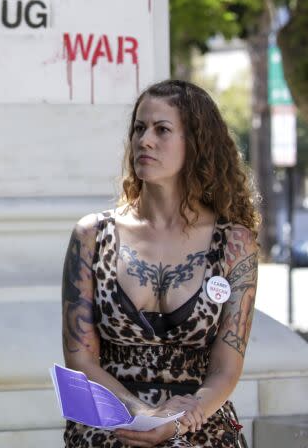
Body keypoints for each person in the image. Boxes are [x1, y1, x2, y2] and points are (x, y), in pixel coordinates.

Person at [61, 80, 259, 447]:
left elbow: (225, 369)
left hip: (198, 417)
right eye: (139, 128)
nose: (144, 140)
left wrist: (179, 421)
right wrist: (143, 415)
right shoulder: (92, 235)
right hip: (112, 416)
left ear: (196, 144)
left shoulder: (235, 243)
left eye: (162, 130)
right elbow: (80, 360)